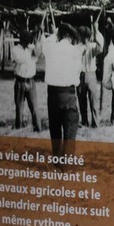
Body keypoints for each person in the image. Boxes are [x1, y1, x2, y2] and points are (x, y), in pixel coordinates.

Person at [41, 21, 83, 157]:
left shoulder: (50, 48)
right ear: (70, 37)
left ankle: (57, 160)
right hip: (68, 94)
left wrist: (53, 35)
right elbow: (78, 71)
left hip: (52, 94)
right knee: (70, 131)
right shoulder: (75, 50)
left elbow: (44, 43)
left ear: (59, 35)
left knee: (55, 130)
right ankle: (67, 165)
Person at [11, 29, 40, 132]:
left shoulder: (30, 48)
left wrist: (36, 42)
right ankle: (19, 127)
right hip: (20, 81)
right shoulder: (15, 49)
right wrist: (31, 50)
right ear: (22, 41)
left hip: (31, 81)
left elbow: (37, 56)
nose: (29, 42)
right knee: (19, 107)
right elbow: (21, 59)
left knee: (35, 107)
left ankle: (38, 127)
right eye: (27, 40)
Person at [76, 25, 103, 128]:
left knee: (93, 100)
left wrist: (96, 31)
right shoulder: (77, 47)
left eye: (87, 37)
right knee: (81, 100)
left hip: (91, 74)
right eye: (83, 36)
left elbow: (100, 48)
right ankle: (84, 121)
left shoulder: (92, 46)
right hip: (80, 75)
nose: (85, 39)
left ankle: (95, 122)